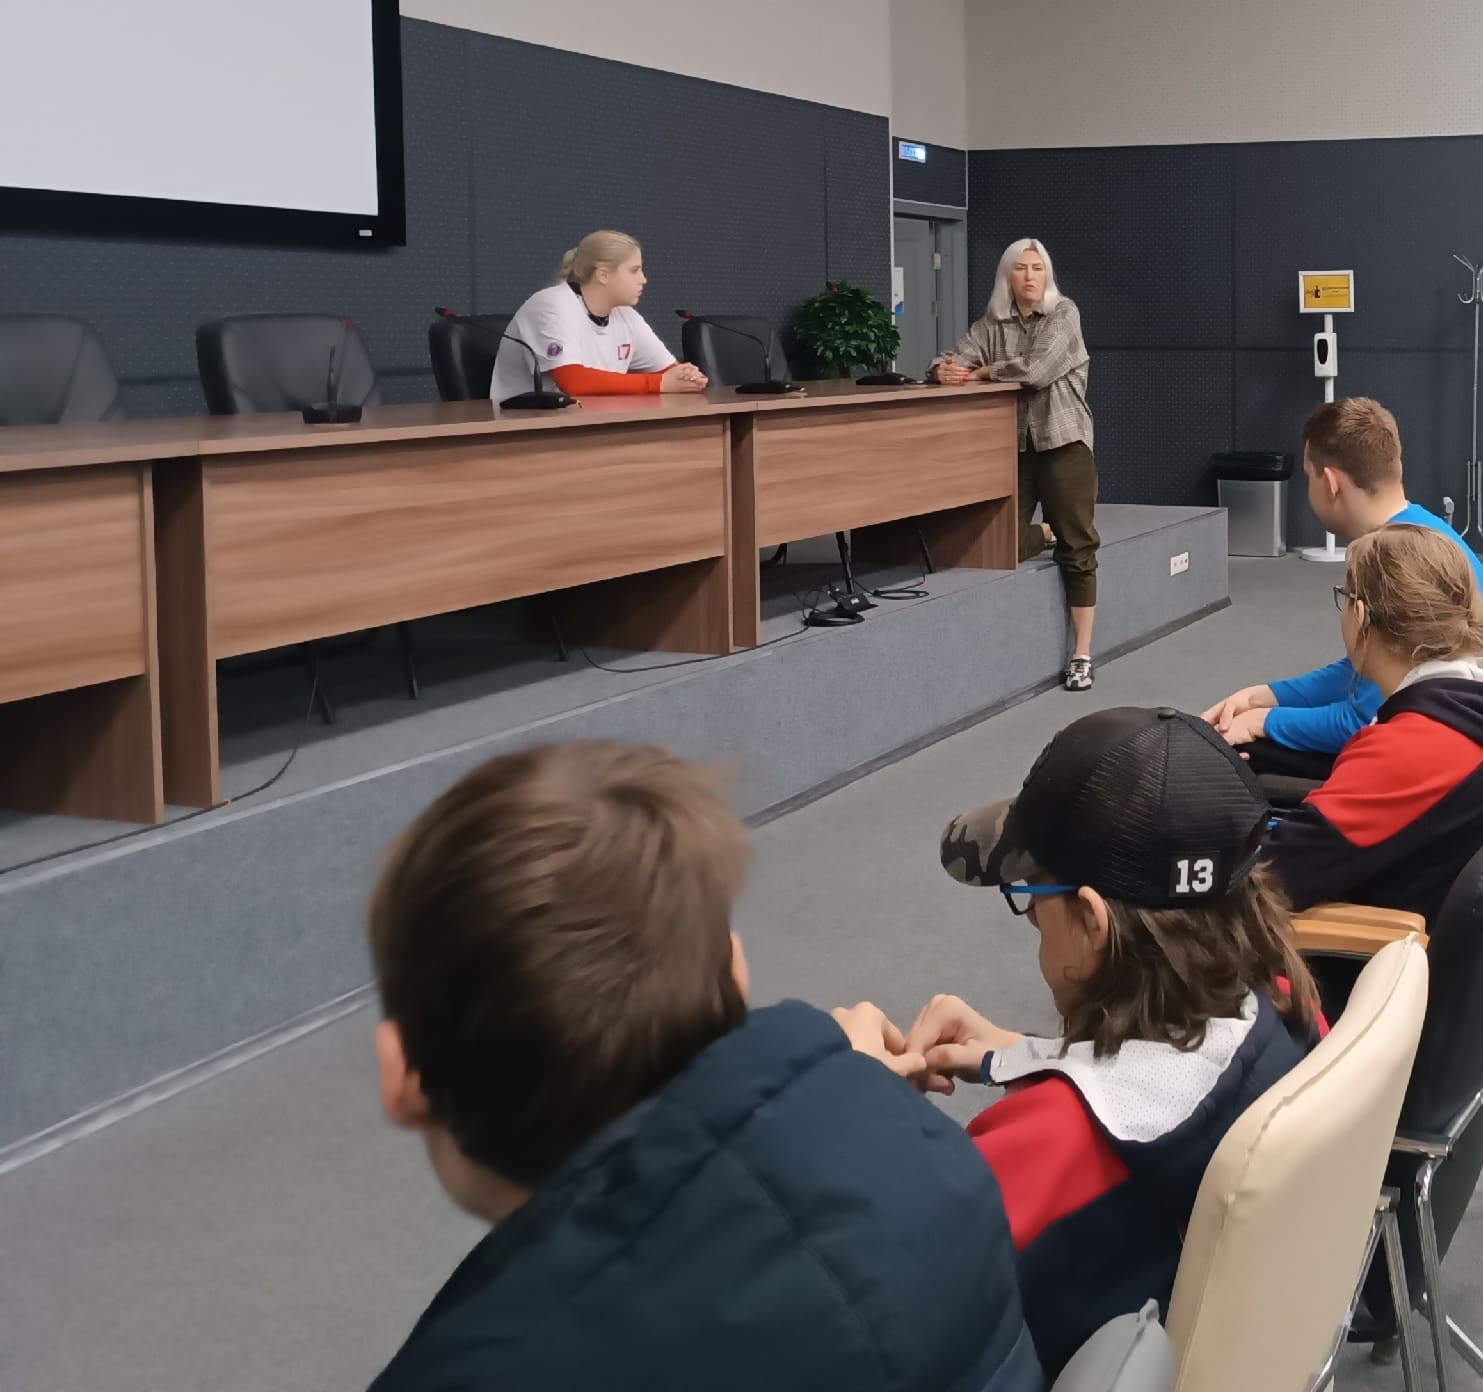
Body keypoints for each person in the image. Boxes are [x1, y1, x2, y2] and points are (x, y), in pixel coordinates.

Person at [364, 740, 1041, 1392]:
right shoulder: (944, 1167)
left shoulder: (472, 1368)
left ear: (402, 1078)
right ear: (735, 971)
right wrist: (841, 1087)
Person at [918, 708, 1320, 1380]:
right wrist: (1030, 1057)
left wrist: (848, 1108)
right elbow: (1156, 1084)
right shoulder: (1288, 1012)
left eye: (1033, 900)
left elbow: (880, 1305)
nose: (1033, 921)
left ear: (1092, 920)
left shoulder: (1044, 1152)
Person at [1262, 522, 1483, 919]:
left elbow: (1269, 878)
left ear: (1361, 615)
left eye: (1344, 595)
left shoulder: (1412, 749)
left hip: (1366, 944)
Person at [1204, 397, 1483, 756]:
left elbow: (1366, 721)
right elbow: (1367, 670)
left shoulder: (1391, 562)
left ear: (1330, 483)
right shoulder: (1426, 537)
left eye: (1308, 476)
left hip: (1427, 749)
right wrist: (1263, 697)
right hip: (1457, 739)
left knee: (1248, 753)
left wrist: (1263, 721)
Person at [933, 240, 1099, 690]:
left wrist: (986, 372)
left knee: (1078, 550)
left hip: (1063, 443)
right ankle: (1045, 531)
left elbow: (1036, 371)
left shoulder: (1064, 313)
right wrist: (942, 370)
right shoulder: (992, 323)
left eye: (1038, 269)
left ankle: (1082, 655)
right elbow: (956, 357)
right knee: (994, 541)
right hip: (1017, 449)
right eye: (1021, 269)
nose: (1030, 277)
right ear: (1008, 275)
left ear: (1048, 275)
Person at [491, 229, 709, 400]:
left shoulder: (626, 315)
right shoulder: (551, 305)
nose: (643, 279)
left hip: (593, 418)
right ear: (603, 275)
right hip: (523, 427)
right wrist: (658, 383)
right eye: (634, 270)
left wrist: (687, 376)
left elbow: (669, 371)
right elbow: (574, 381)